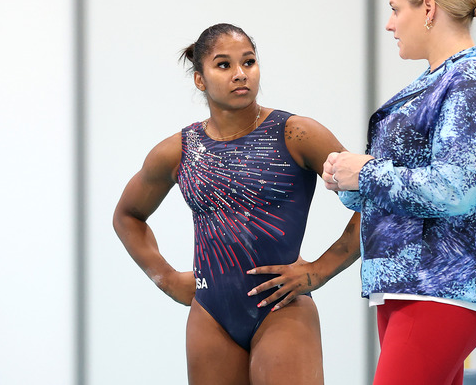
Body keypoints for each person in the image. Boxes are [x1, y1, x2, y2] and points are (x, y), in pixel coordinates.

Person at [321, 0, 476, 385]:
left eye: (396, 10)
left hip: (443, 285)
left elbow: (453, 189)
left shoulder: (474, 80)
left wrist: (366, 173)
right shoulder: (439, 81)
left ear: (429, 9)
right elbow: (410, 183)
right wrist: (348, 180)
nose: (390, 24)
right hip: (410, 284)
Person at [113, 23, 360, 385]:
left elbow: (376, 201)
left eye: (249, 61)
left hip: (281, 309)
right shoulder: (178, 151)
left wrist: (321, 270)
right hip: (211, 315)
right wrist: (164, 277)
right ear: (200, 79)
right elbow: (127, 216)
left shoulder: (296, 134)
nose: (240, 74)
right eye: (224, 65)